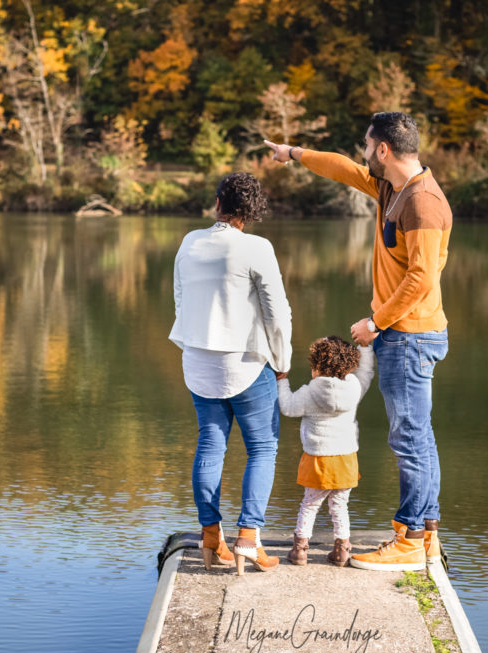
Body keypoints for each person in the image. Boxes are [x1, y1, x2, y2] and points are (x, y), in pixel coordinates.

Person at [264, 112, 451, 571]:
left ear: (383, 149)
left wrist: (376, 322)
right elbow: (344, 169)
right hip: (404, 334)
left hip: (409, 336)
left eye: (368, 145)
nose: (364, 153)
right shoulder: (393, 187)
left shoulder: (422, 204)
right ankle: (425, 534)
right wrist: (294, 153)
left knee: (409, 439)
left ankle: (407, 538)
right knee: (418, 437)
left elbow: (422, 278)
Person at [168, 172, 292, 575]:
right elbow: (276, 313)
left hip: (198, 363)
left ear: (218, 203)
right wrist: (283, 360)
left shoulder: (190, 242)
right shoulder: (257, 247)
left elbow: (180, 299)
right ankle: (248, 541)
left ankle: (209, 537)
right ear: (251, 211)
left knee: (210, 443)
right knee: (263, 448)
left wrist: (195, 345)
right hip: (246, 363)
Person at [277, 336, 375, 568]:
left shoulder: (310, 392)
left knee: (310, 505)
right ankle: (342, 550)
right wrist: (366, 348)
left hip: (317, 458)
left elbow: (288, 407)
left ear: (317, 366)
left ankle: (300, 550)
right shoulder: (354, 388)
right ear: (349, 365)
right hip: (346, 459)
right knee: (340, 506)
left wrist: (282, 381)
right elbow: (367, 374)